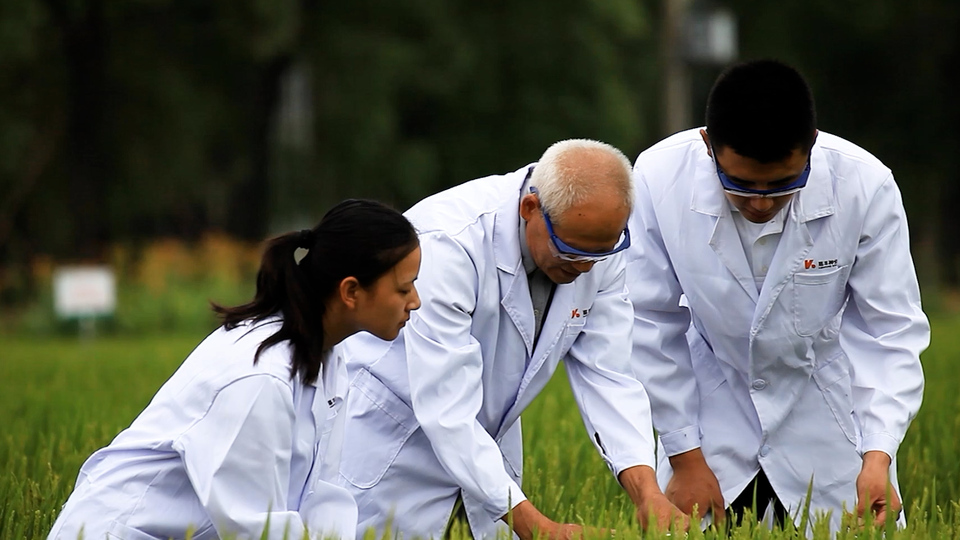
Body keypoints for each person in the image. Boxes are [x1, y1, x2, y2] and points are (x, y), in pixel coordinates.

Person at [625, 59, 929, 533]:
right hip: (709, 409)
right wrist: (684, 455)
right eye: (740, 185)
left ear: (812, 145)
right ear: (709, 147)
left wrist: (878, 454)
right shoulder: (658, 175)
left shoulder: (865, 185)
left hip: (822, 408)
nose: (762, 203)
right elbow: (648, 320)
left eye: (784, 184)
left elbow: (889, 330)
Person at [337, 139, 687, 540]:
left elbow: (609, 375)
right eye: (570, 251)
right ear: (530, 209)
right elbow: (447, 409)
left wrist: (648, 494)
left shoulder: (597, 246)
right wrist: (536, 527)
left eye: (600, 254)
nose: (585, 267)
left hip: (489, 455)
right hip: (395, 450)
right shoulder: (449, 242)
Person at [47, 200, 422, 540]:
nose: (416, 302)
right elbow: (255, 530)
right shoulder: (261, 377)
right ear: (351, 291)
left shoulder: (327, 356)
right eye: (404, 289)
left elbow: (321, 498)